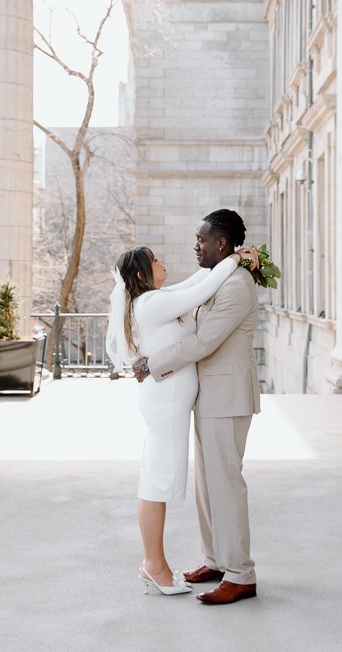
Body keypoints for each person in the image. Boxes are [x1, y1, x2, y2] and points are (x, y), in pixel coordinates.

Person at [106, 240, 258, 596]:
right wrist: (235, 258)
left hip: (169, 401)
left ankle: (153, 563)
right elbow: (201, 289)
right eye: (156, 260)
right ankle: (154, 565)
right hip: (165, 402)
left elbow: (193, 283)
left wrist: (226, 261)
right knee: (156, 482)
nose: (163, 262)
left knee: (156, 478)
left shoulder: (155, 298)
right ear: (143, 274)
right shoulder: (153, 303)